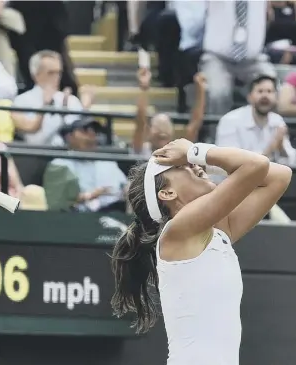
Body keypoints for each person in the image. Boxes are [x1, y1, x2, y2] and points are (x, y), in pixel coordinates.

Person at [111, 138, 292, 364]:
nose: (194, 164)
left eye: (187, 161)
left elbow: (279, 175)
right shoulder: (177, 231)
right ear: (167, 194)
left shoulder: (218, 232)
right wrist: (194, 152)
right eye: (181, 165)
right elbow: (256, 165)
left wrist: (199, 158)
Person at [216, 75, 296, 166]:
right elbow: (230, 163)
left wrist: (281, 148)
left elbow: (291, 162)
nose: (265, 96)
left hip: (266, 178)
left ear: (276, 98)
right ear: (249, 97)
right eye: (260, 91)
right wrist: (271, 148)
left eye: (269, 91)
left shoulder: (277, 121)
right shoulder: (230, 121)